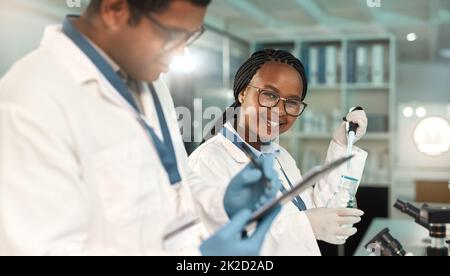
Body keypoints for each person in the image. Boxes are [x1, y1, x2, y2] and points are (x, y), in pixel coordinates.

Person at [0, 0, 281, 256]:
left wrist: (222, 202)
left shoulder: (152, 82)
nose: (181, 51)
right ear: (114, 10)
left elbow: (171, 186)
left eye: (190, 36)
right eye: (172, 35)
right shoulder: (30, 100)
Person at [189, 49, 368, 255]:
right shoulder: (207, 162)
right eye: (269, 95)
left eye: (292, 102)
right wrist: (305, 227)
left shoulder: (280, 156)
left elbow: (317, 208)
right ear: (243, 93)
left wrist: (341, 144)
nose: (280, 110)